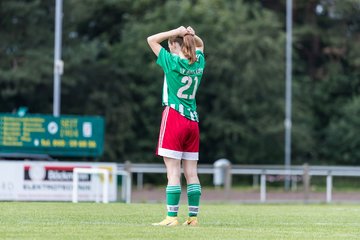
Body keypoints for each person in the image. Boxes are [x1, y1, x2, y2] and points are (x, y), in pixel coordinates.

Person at [147, 26, 205, 226]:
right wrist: (189, 34)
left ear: (173, 45)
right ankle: (193, 217)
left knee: (173, 171)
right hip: (192, 120)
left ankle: (171, 217)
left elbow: (151, 39)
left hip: (174, 116)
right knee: (191, 173)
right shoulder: (199, 62)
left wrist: (177, 30)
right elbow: (200, 45)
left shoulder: (171, 61)